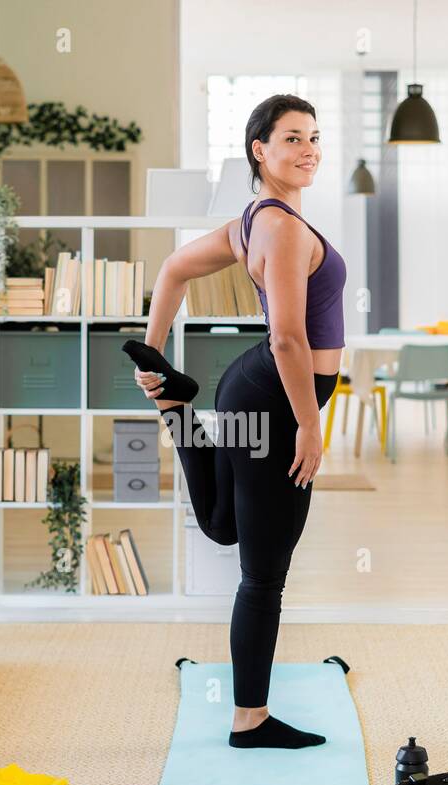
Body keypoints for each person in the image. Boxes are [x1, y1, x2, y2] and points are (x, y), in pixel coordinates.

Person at [122, 94, 346, 749]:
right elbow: (286, 338)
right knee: (263, 573)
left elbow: (172, 270)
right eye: (291, 138)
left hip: (248, 391)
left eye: (313, 137)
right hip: (273, 398)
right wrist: (310, 424)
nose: (308, 149)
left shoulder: (254, 221)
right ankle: (250, 721)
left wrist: (155, 350)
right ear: (260, 150)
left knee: (225, 525)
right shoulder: (278, 227)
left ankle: (174, 408)